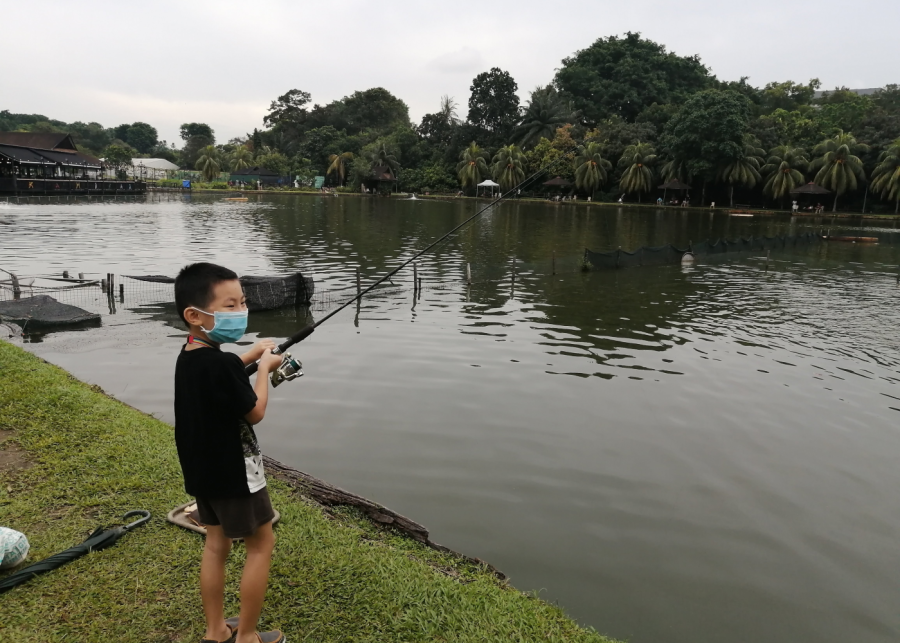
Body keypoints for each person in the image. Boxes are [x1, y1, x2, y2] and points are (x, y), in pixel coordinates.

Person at [173, 263, 286, 643]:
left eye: (242, 304)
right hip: (236, 474)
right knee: (261, 544)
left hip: (203, 472)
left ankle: (216, 631)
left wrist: (252, 353)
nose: (240, 313)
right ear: (195, 315)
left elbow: (222, 374)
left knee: (216, 544)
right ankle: (249, 635)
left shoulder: (190, 355)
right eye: (230, 306)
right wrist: (264, 370)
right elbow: (255, 410)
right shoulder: (220, 363)